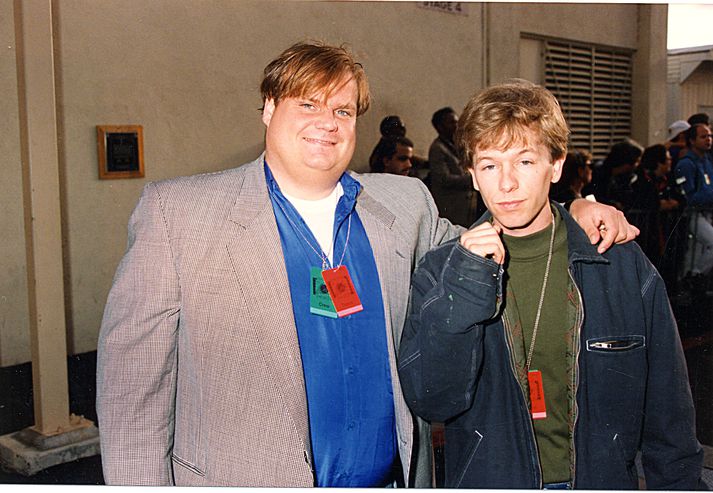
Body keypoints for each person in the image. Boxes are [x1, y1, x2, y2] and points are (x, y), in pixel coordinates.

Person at [96, 42, 637, 487]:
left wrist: (576, 209)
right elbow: (131, 397)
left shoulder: (403, 205)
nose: (326, 123)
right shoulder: (179, 214)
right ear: (267, 107)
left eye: (343, 110)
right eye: (306, 104)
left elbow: (498, 237)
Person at [398, 80, 703, 489]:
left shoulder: (618, 262)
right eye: (489, 165)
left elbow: (669, 416)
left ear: (555, 165)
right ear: (472, 175)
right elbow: (433, 400)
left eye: (524, 162)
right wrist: (465, 287)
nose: (506, 184)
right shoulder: (441, 270)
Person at [675, 122, 713, 276]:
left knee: (697, 250)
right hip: (692, 214)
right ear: (692, 140)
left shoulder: (706, 161)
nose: (708, 140)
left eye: (710, 136)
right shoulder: (686, 164)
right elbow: (689, 196)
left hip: (706, 213)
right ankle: (695, 276)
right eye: (703, 137)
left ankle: (692, 277)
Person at [428, 107, 477, 226]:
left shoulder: (455, 144)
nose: (456, 126)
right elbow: (444, 179)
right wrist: (474, 178)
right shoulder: (437, 149)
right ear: (439, 127)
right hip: (452, 208)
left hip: (465, 207)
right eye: (451, 122)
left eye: (456, 122)